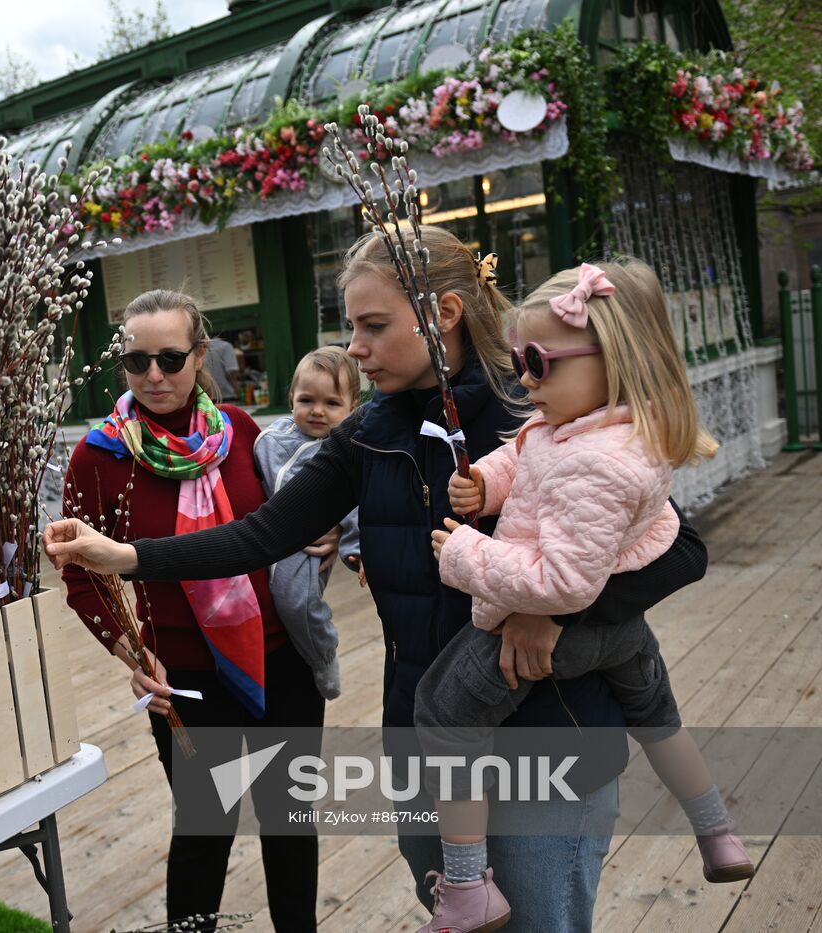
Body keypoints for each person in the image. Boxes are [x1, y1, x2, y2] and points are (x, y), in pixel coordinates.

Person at [44, 228, 709, 933]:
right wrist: (126, 557)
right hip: (424, 729)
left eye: (373, 326)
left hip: (546, 730)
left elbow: (678, 546)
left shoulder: (540, 409)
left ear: (443, 313)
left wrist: (554, 613)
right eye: (350, 327)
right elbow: (263, 534)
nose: (353, 349)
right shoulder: (366, 432)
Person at [417, 260, 752, 931]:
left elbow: (564, 584)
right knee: (658, 715)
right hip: (621, 625)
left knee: (444, 712)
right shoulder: (598, 427)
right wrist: (486, 481)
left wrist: (466, 554)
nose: (524, 378)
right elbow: (530, 456)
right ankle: (717, 831)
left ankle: (466, 885)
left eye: (539, 361)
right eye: (518, 360)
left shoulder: (597, 462)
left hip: (564, 627)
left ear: (613, 360)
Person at [59, 288, 335, 932]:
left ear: (200, 354)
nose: (154, 374)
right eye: (137, 361)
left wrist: (324, 535)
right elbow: (82, 578)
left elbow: (285, 516)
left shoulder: (239, 431)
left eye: (171, 358)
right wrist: (135, 655)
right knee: (208, 827)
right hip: (182, 674)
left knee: (291, 821)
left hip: (281, 660)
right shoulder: (99, 456)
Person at [254, 346, 363, 699]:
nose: (317, 411)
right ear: (291, 399)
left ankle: (323, 654)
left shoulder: (344, 451)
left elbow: (355, 505)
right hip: (265, 539)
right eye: (306, 400)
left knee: (297, 601)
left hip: (305, 545)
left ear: (352, 409)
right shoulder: (271, 439)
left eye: (331, 404)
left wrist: (354, 548)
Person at [204, 333, 242, 402]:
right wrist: (239, 393)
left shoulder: (202, 348)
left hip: (208, 398)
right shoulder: (226, 346)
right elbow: (231, 373)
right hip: (227, 396)